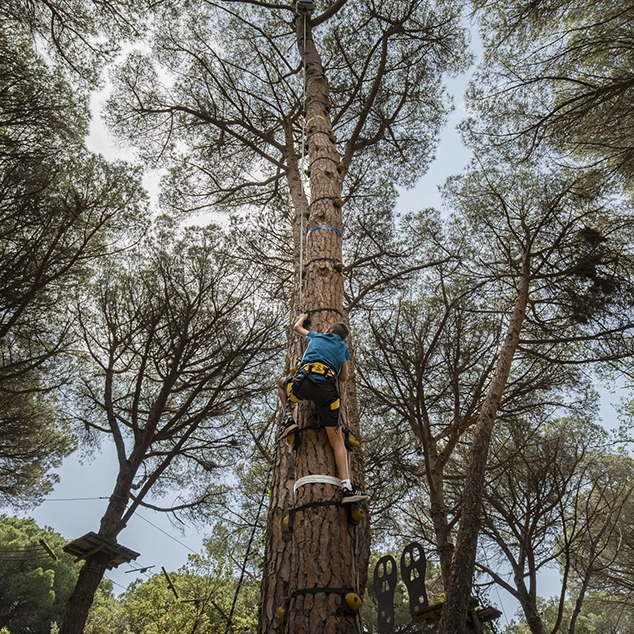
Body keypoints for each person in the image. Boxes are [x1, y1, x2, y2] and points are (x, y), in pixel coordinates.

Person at [278, 313, 369, 503]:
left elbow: (297, 328)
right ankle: (347, 487)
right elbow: (343, 377)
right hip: (328, 393)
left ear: (328, 330)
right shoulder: (343, 348)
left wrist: (303, 317)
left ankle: (287, 418)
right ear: (343, 339)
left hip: (304, 384)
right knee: (337, 441)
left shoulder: (318, 336)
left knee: (281, 384)